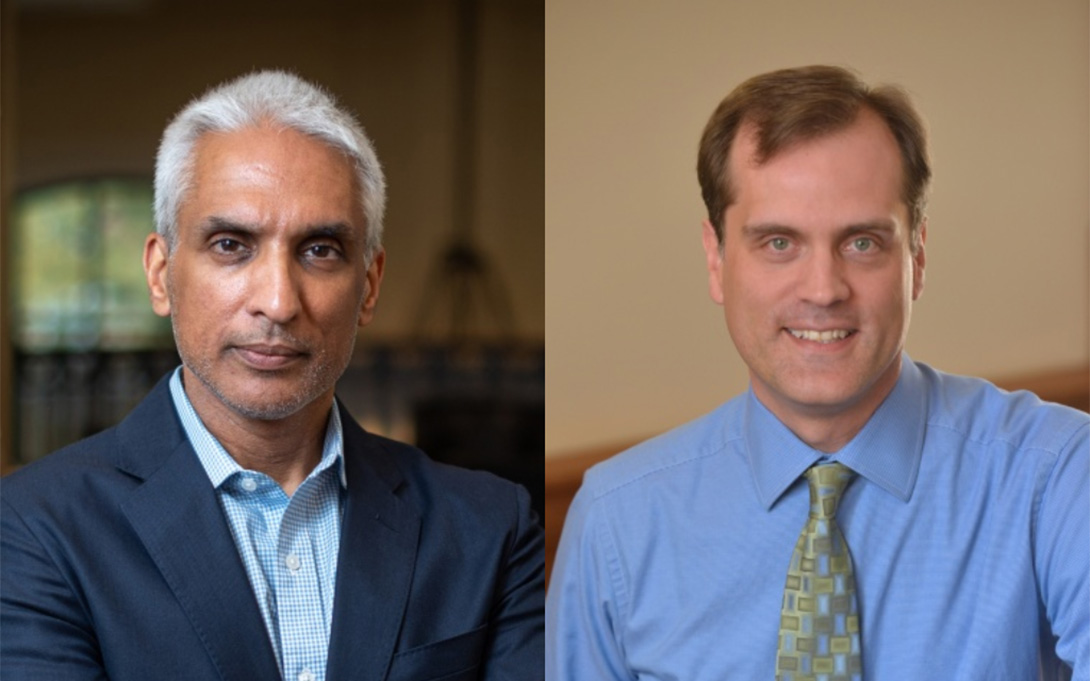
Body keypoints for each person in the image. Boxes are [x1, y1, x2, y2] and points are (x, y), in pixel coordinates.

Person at [546, 65, 1088, 680]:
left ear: (916, 257)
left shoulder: (1057, 474)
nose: (824, 289)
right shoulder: (616, 522)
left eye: (862, 242)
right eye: (779, 243)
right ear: (716, 259)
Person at [2, 70, 544, 681]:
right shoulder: (32, 528)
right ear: (160, 274)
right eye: (232, 244)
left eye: (320, 250)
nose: (279, 301)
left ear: (368, 287)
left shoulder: (490, 527)